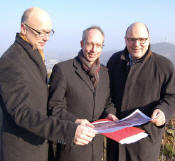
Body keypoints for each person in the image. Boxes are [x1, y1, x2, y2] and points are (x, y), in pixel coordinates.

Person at [0, 7, 96, 161]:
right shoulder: (11, 61)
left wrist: (73, 121)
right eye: (40, 32)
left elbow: (41, 104)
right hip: (23, 152)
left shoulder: (32, 54)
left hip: (40, 147)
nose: (46, 38)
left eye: (49, 32)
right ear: (23, 29)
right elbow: (23, 114)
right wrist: (69, 131)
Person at [107, 22, 175, 161]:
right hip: (116, 140)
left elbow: (171, 96)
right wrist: (110, 113)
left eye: (142, 39)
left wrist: (162, 112)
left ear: (148, 39)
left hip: (144, 143)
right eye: (132, 39)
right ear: (125, 40)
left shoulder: (164, 65)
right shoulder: (114, 61)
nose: (137, 44)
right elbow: (107, 94)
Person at [48, 26, 117, 161]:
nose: (94, 49)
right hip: (72, 149)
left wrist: (110, 114)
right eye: (90, 44)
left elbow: (107, 102)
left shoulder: (105, 72)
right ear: (81, 44)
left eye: (98, 45)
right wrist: (75, 121)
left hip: (96, 150)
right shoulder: (63, 70)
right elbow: (54, 108)